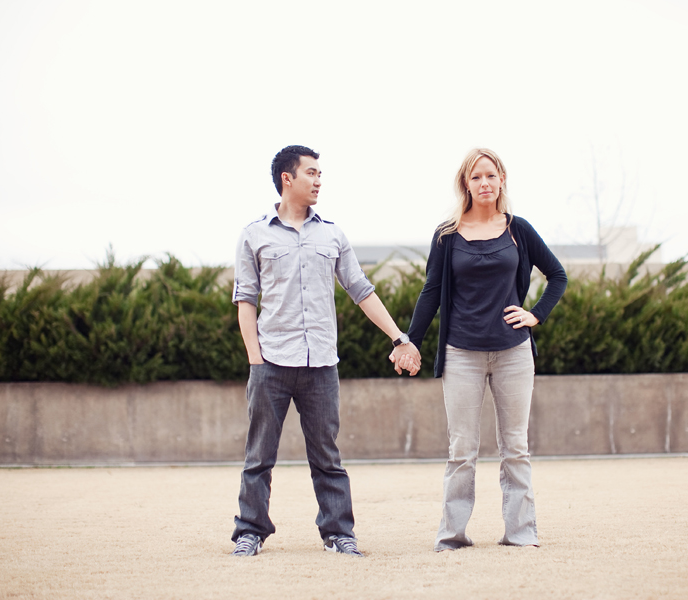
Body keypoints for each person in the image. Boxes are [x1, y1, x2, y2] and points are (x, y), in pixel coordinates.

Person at [230, 145, 420, 558]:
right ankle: (250, 531)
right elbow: (245, 299)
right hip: (271, 364)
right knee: (258, 457)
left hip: (321, 366)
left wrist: (399, 337)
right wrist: (255, 359)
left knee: (328, 458)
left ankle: (338, 533)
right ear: (287, 178)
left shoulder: (332, 233)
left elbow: (360, 289)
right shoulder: (254, 234)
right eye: (312, 173)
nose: (319, 181)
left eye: (320, 175)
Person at [398, 148, 567, 551]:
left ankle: (521, 533)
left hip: (513, 353)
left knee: (516, 447)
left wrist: (535, 315)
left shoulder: (518, 230)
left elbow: (557, 275)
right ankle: (452, 535)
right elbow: (432, 291)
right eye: (477, 177)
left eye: (491, 175)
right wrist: (409, 341)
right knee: (461, 450)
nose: (485, 183)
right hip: (461, 354)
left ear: (502, 179)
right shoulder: (447, 235)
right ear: (466, 184)